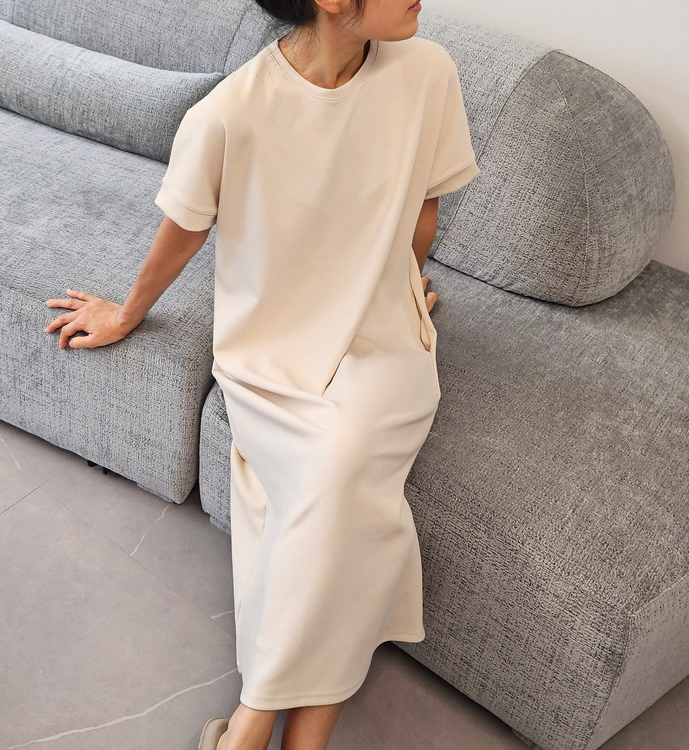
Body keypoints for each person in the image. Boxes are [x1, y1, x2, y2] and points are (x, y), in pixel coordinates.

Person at [43, 0, 480, 747]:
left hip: (384, 340)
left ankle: (252, 724)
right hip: (271, 350)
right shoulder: (228, 115)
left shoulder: (428, 71)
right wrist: (126, 312)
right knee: (340, 481)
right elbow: (183, 232)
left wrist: (398, 289)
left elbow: (421, 212)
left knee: (338, 465)